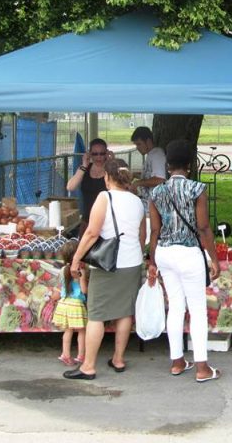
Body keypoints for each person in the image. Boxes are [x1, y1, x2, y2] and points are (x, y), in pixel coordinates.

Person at [65, 158, 145, 380]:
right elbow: (142, 235)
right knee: (125, 311)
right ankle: (118, 359)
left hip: (109, 262)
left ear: (108, 177)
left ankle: (88, 366)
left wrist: (76, 259)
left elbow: (92, 232)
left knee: (97, 314)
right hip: (132, 261)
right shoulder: (137, 201)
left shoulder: (105, 197)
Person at [148, 139, 221, 382]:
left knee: (176, 306)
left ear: (168, 165)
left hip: (165, 253)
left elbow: (154, 231)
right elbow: (203, 227)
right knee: (197, 310)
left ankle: (177, 362)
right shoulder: (196, 189)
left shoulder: (156, 192)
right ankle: (202, 368)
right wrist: (214, 258)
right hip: (189, 253)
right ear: (188, 165)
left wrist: (152, 260)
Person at [53, 240, 88, 366]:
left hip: (63, 303)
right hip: (76, 305)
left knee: (68, 331)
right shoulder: (80, 271)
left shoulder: (62, 269)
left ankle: (66, 355)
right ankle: (81, 355)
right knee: (82, 331)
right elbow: (83, 290)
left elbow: (60, 286)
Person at [66, 138, 111, 235]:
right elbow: (70, 187)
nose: (98, 157)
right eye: (95, 154)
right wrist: (84, 165)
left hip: (107, 221)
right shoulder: (85, 169)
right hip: (88, 220)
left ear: (106, 154)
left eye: (102, 153)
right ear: (90, 154)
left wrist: (112, 163)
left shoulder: (110, 169)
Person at [130, 126, 167, 206]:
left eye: (139, 144)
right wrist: (135, 175)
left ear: (148, 141)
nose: (137, 148)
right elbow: (150, 176)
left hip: (155, 205)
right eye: (136, 145)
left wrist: (137, 183)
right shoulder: (151, 155)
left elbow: (160, 179)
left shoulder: (157, 155)